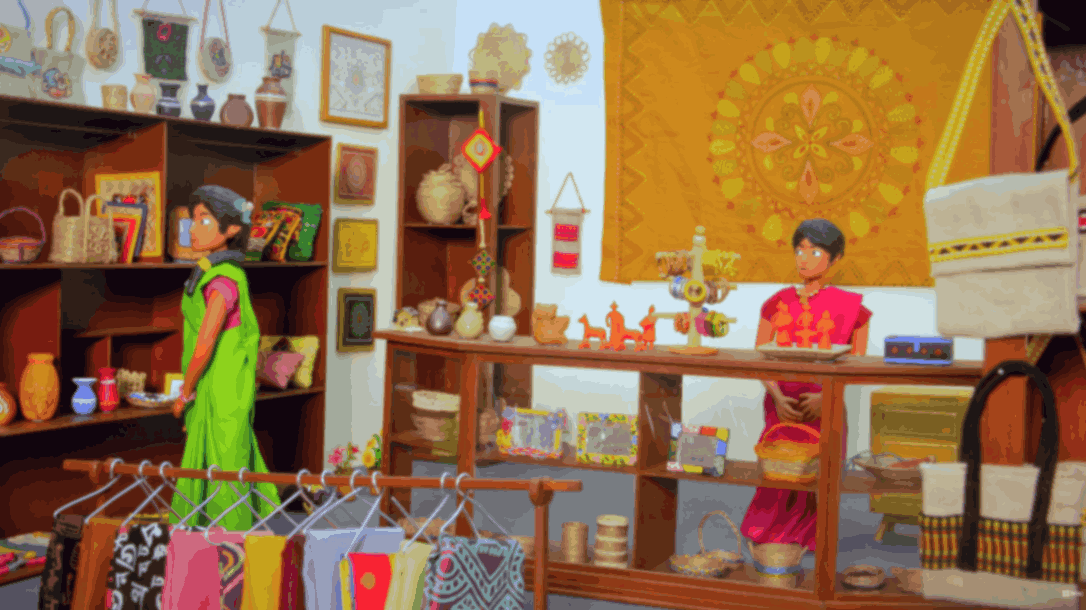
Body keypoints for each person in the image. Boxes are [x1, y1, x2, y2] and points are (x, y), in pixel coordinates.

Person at [740, 218, 871, 554]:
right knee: (779, 467)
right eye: (799, 250)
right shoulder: (775, 303)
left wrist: (826, 395)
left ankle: (814, 531)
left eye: (814, 251)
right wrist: (778, 396)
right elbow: (760, 357)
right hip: (781, 402)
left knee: (818, 470)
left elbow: (855, 365)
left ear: (835, 258)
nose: (804, 258)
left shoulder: (854, 309)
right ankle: (770, 527)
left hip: (824, 403)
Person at [170, 185, 280, 529]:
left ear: (231, 230)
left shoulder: (224, 281)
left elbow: (206, 343)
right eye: (193, 219)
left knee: (225, 469)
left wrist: (185, 390)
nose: (194, 227)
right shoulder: (209, 273)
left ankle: (232, 551)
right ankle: (202, 548)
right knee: (212, 464)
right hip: (213, 385)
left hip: (222, 387)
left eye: (205, 219)